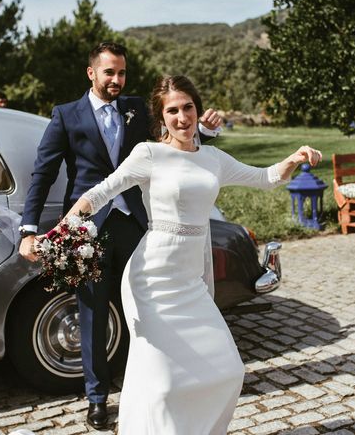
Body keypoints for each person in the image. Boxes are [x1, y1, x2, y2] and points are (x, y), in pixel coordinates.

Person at [36, 75, 322, 434]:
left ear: (198, 110)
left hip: (190, 281)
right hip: (150, 280)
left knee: (228, 370)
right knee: (162, 382)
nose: (182, 117)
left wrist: (295, 157)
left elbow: (265, 177)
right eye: (173, 110)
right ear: (161, 117)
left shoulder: (213, 158)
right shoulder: (149, 154)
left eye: (188, 107)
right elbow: (101, 192)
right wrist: (62, 231)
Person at [18, 42, 221, 429]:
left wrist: (206, 133)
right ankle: (97, 397)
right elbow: (43, 174)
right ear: (91, 73)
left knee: (150, 306)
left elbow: (173, 143)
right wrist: (29, 230)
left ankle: (158, 386)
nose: (116, 80)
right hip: (89, 231)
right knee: (92, 313)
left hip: (137, 224)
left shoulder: (136, 110)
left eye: (122, 73)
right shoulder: (65, 116)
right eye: (109, 72)